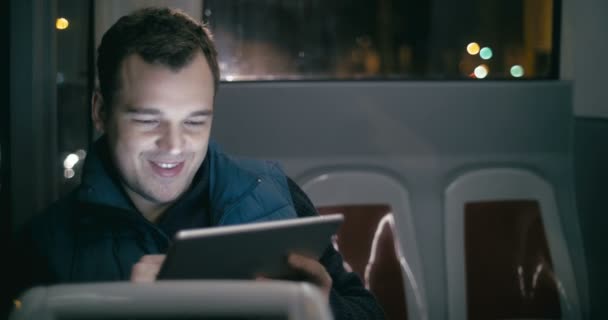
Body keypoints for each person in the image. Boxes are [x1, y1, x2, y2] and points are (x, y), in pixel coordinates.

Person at [5, 7, 385, 319]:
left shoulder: (276, 194)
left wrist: (319, 307)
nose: (174, 146)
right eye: (148, 120)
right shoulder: (45, 248)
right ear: (100, 111)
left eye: (195, 121)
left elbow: (368, 313)